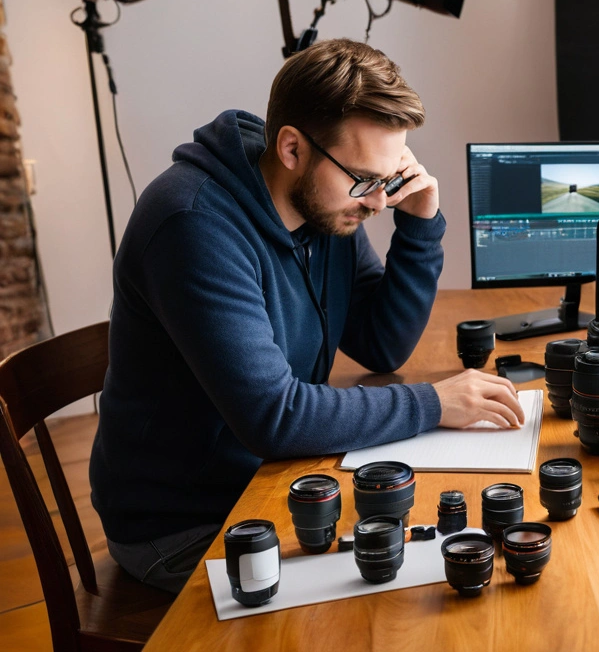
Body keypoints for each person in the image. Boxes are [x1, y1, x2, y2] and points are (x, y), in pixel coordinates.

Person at [88, 39, 524, 594]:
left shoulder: (326, 206)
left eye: (388, 181)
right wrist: (436, 401)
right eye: (366, 181)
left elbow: (380, 342)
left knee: (442, 543)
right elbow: (276, 417)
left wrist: (419, 224)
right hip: (184, 524)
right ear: (292, 148)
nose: (376, 204)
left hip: (275, 481)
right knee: (402, 592)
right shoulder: (192, 227)